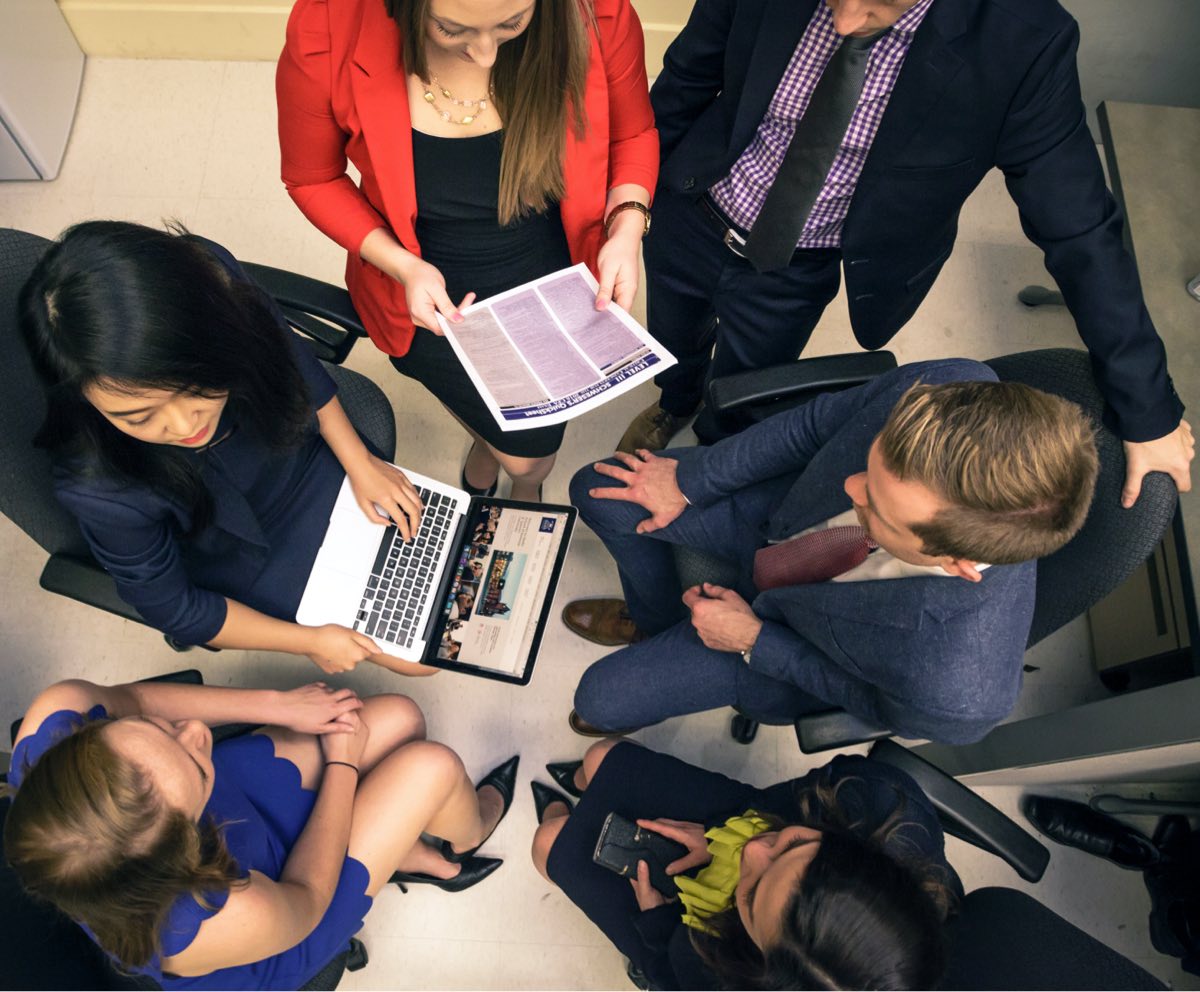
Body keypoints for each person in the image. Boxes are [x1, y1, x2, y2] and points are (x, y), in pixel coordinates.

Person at [617, 0, 1193, 511]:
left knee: (749, 386)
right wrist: (628, 202)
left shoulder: (1022, 41)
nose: (842, 18)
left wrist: (1147, 407)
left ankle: (714, 453)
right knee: (669, 335)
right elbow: (685, 80)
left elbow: (1081, 227)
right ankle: (675, 401)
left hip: (796, 261)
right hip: (694, 206)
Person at [563, 358, 1099, 744]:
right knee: (598, 490)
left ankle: (674, 638)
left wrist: (755, 640)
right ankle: (658, 621)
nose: (851, 490)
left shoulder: (958, 692)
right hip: (779, 515)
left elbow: (868, 702)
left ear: (957, 563)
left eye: (878, 509)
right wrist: (692, 482)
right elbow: (815, 425)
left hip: (788, 639)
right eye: (872, 465)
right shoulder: (947, 387)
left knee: (598, 700)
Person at [276, 0, 658, 501]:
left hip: (553, 267)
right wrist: (403, 266)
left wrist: (627, 225)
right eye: (450, 28)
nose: (484, 54)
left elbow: (633, 132)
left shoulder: (598, 12)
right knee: (508, 437)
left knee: (532, 454)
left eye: (512, 24)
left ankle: (514, 470)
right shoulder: (329, 22)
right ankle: (495, 448)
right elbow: (313, 177)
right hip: (421, 290)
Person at [20, 221, 432, 676]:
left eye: (194, 386)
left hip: (304, 453)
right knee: (424, 654)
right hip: (243, 553)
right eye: (138, 416)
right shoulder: (100, 487)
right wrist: (309, 641)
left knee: (445, 564)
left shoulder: (209, 278)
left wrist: (360, 461)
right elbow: (176, 610)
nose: (183, 425)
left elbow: (292, 358)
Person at [3, 677, 519, 989]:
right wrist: (343, 765)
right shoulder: (197, 922)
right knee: (432, 769)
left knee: (401, 719)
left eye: (159, 729)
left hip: (230, 804)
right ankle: (464, 839)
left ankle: (402, 849)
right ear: (185, 850)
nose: (196, 731)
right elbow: (307, 897)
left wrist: (277, 705)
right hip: (284, 913)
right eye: (194, 762)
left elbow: (136, 696)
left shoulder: (56, 717)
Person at [531, 739, 959, 990]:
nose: (751, 854)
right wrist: (721, 832)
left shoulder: (730, 978)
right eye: (794, 847)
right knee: (603, 755)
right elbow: (783, 799)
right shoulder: (876, 798)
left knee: (549, 845)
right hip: (747, 817)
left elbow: (675, 977)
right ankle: (586, 788)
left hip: (684, 931)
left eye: (753, 898)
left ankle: (563, 813)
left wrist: (659, 923)